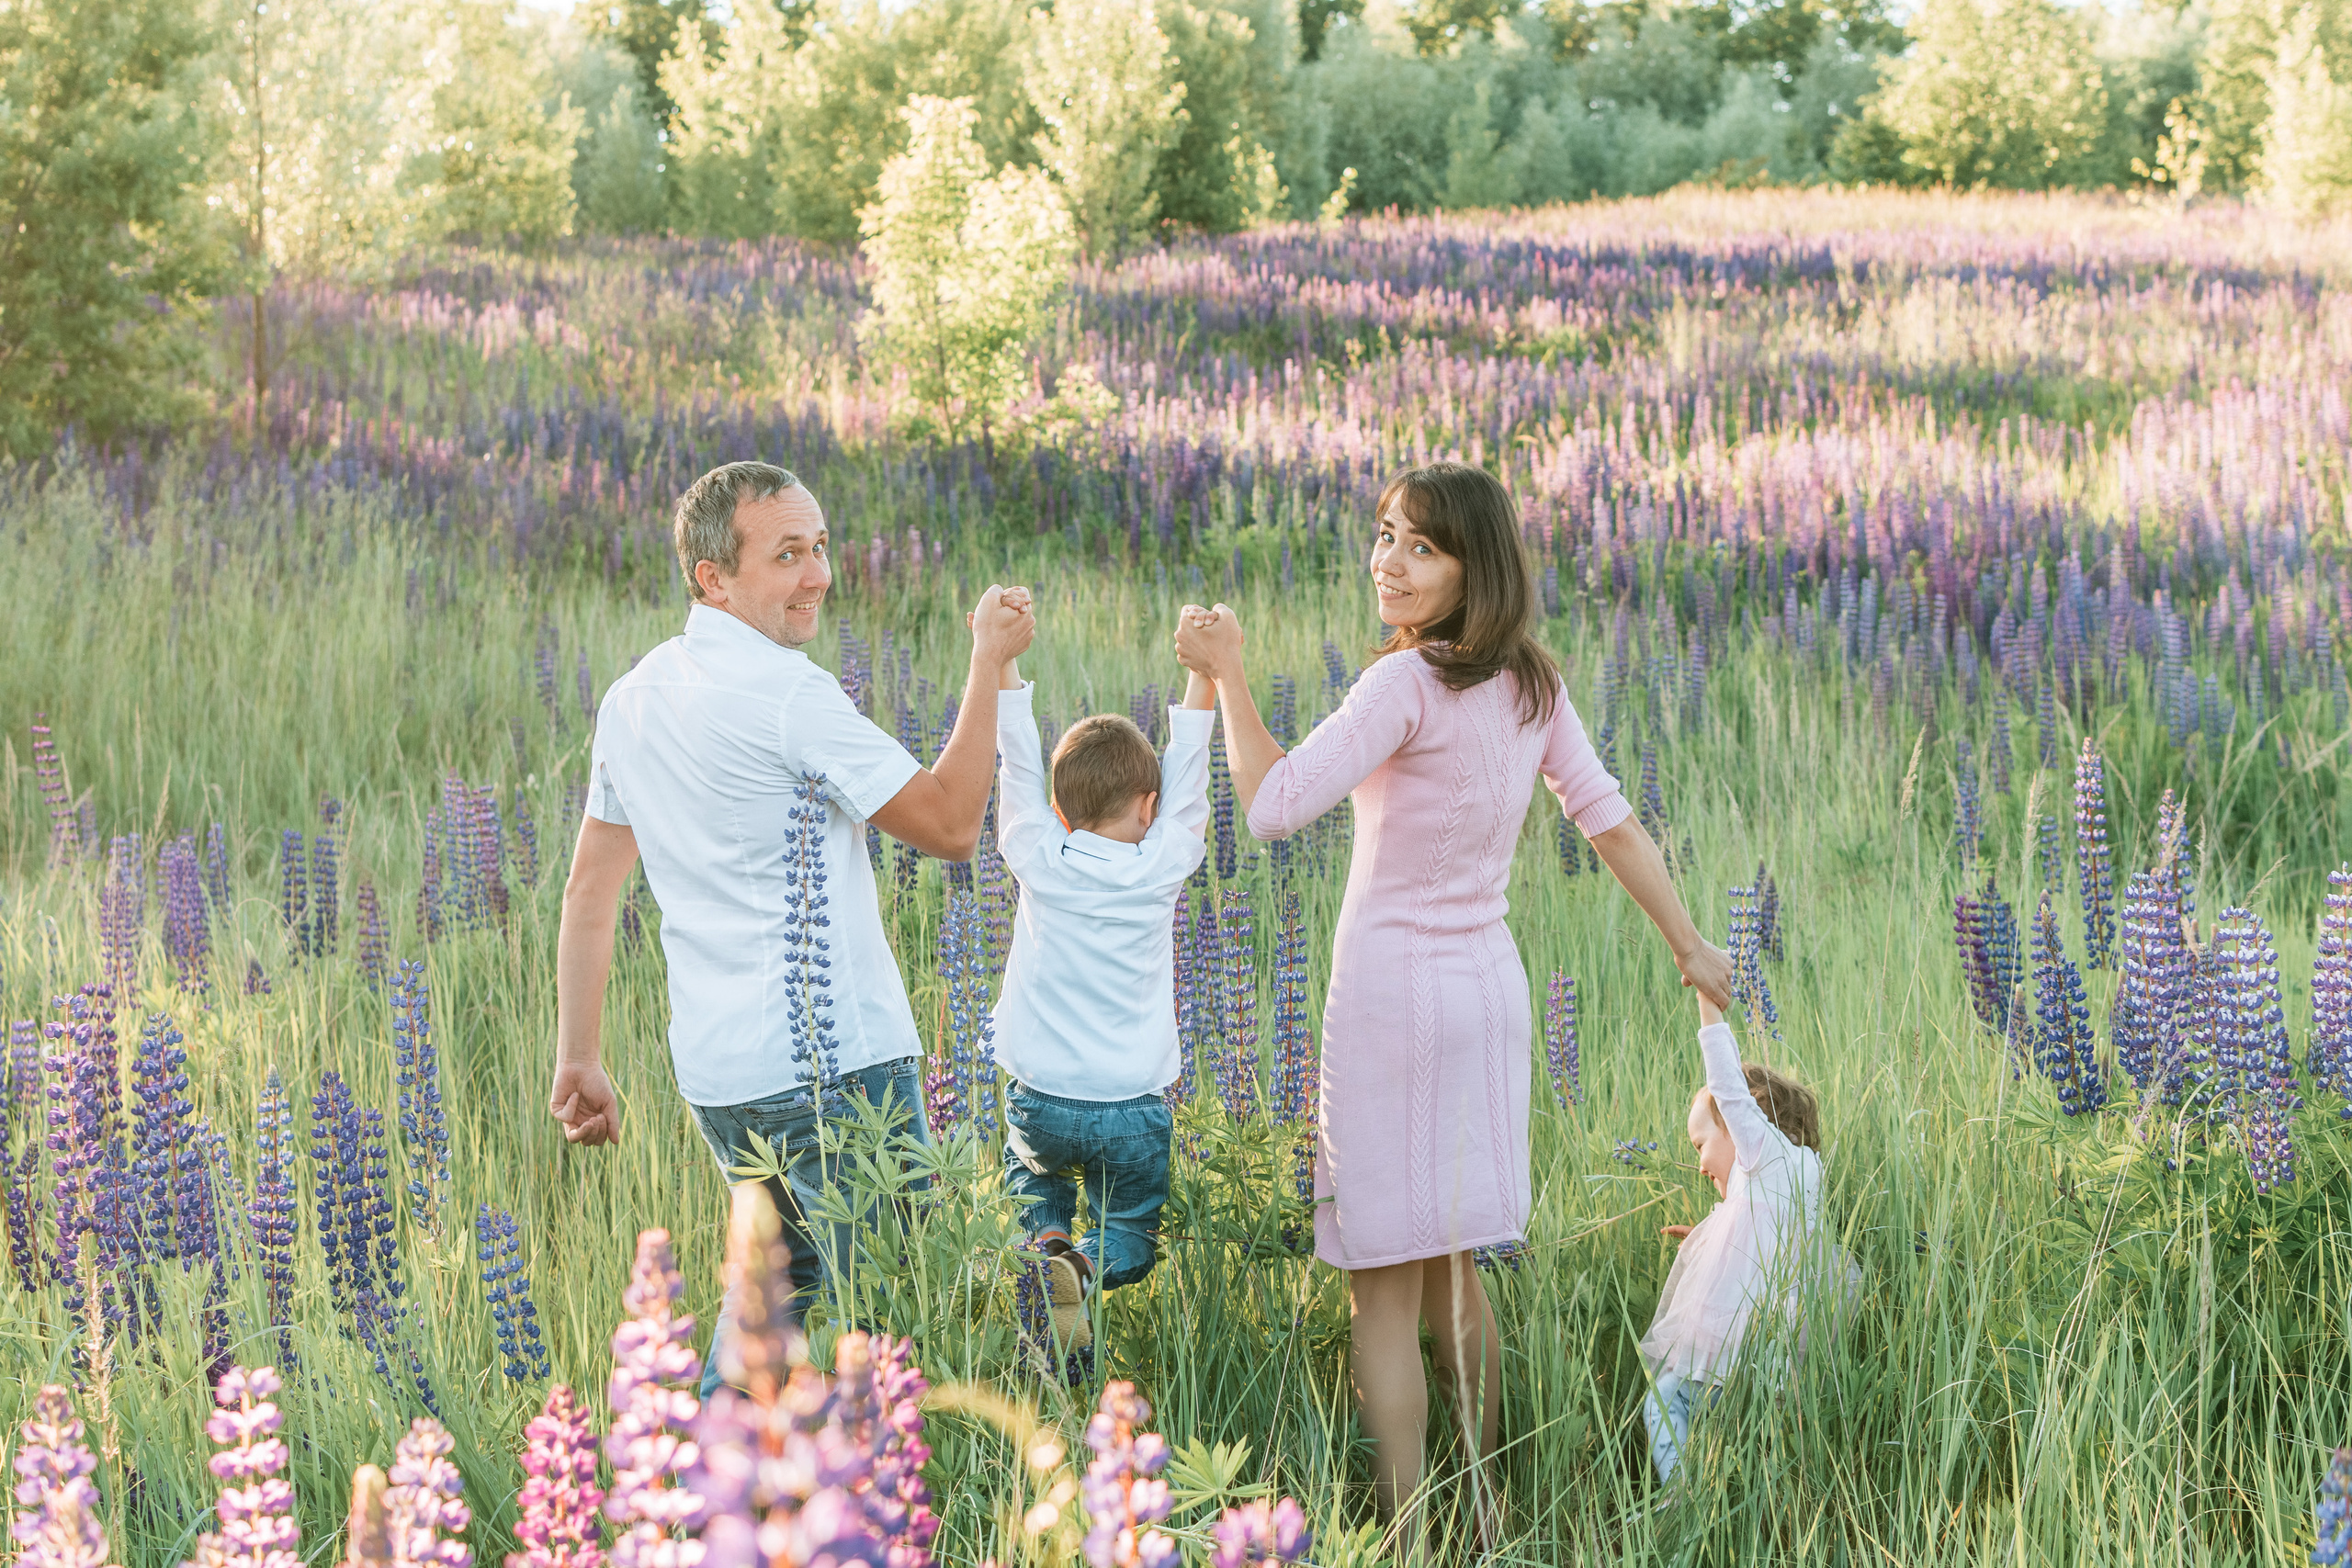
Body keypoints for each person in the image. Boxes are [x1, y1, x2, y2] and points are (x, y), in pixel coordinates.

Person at [1173, 460, 1735, 1545]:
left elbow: (1277, 806)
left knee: (1382, 1290)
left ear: (1475, 566)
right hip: (1487, 991)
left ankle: (1412, 1535)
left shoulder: (1403, 685)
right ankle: (1486, 1512)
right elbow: (1606, 818)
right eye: (1385, 535)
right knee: (1457, 1271)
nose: (1388, 562)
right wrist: (1690, 943)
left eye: (1421, 547)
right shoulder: (1531, 685)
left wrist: (1229, 674)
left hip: (1390, 1001)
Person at [547, 459, 1035, 1396]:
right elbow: (948, 824)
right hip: (837, 1072)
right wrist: (986, 664)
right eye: (786, 555)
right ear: (713, 578)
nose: (817, 575)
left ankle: (689, 1507)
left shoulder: (633, 696)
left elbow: (589, 893)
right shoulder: (790, 696)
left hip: (724, 1080)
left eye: (818, 548)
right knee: (883, 1324)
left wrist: (580, 1056)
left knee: (773, 1310)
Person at [987, 619, 1218, 1351]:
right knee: (1131, 1229)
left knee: (1034, 1183)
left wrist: (1006, 662)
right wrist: (1202, 672)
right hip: (1130, 1102)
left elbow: (1017, 765)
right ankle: (1088, 1263)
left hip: (1041, 1093)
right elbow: (1189, 766)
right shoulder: (1164, 862)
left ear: (1060, 811)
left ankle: (1051, 1246)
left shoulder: (1036, 852)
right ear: (1149, 807)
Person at [1641, 990, 1843, 1487]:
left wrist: (1707, 999)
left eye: (1700, 1144)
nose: (1699, 1162)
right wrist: (1706, 1238)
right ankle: (1741, 1506)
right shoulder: (1798, 1171)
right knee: (1748, 1448)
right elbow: (1766, 1244)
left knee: (1663, 1399)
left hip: (1736, 1361)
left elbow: (1725, 1083)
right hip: (1774, 1369)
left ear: (1737, 1125)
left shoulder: (1763, 1155)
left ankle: (1681, 1498)